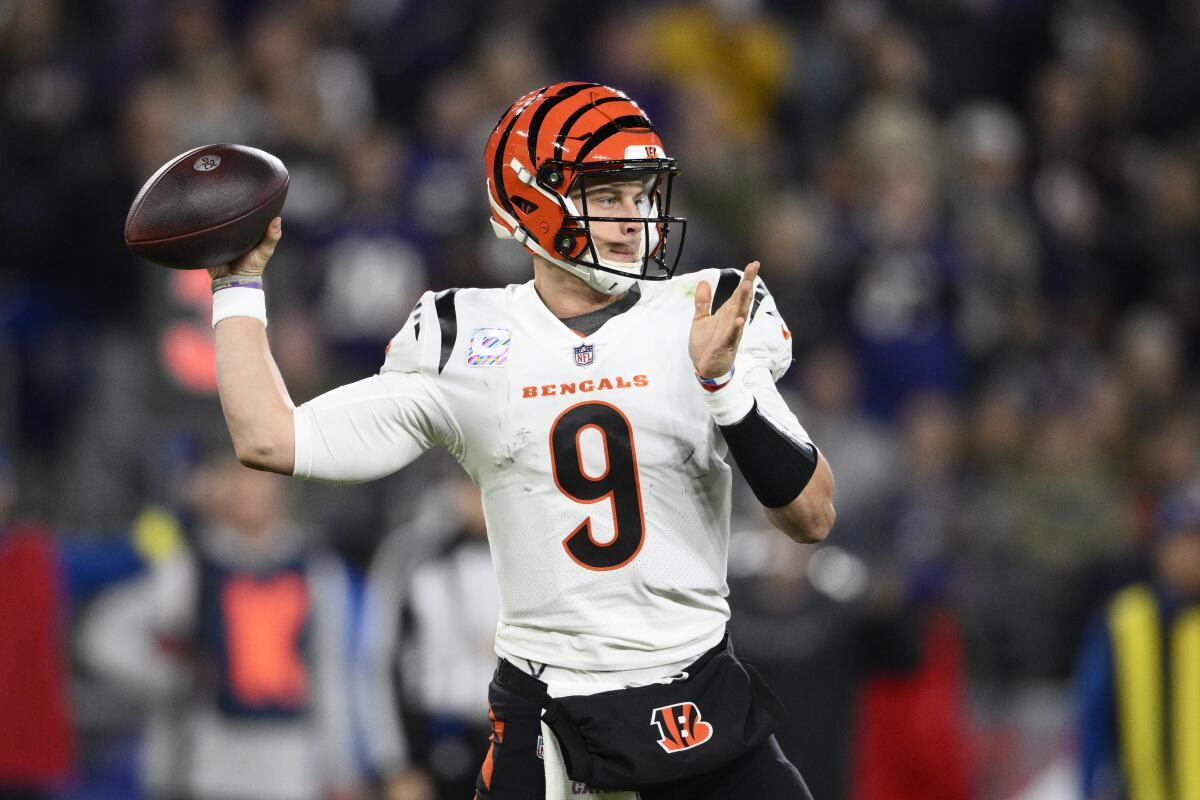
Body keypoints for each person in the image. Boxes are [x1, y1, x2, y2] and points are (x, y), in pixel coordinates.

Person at [205, 82, 836, 799]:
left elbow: (812, 517)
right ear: (533, 199)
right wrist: (237, 284)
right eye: (607, 196)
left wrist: (724, 389)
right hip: (551, 722)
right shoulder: (461, 336)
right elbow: (270, 439)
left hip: (699, 698)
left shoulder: (703, 310)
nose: (634, 221)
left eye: (641, 196)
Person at [79, 456, 363, 800]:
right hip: (205, 765)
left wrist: (342, 770)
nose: (251, 491)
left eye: (262, 479)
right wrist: (170, 680)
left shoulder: (315, 572)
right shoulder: (190, 570)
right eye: (239, 480)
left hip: (286, 768)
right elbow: (103, 635)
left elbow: (329, 675)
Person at [357, 474, 498, 800]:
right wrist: (394, 763)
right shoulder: (412, 552)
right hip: (433, 741)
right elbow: (377, 659)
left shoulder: (526, 548)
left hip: (508, 740)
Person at [1076, 483, 1200, 800]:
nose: (1195, 555)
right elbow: (1093, 719)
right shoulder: (1124, 618)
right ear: (1162, 547)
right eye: (1187, 541)